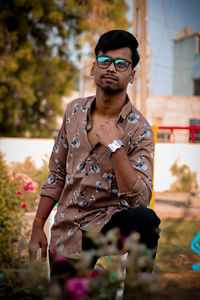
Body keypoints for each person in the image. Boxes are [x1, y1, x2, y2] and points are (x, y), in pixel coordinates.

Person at [29, 30, 160, 285]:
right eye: (105, 61)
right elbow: (56, 174)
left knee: (146, 220)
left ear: (132, 75)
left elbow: (141, 198)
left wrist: (115, 146)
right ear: (93, 68)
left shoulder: (139, 129)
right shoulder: (73, 111)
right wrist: (38, 224)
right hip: (67, 231)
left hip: (109, 224)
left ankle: (137, 293)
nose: (111, 68)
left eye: (121, 64)